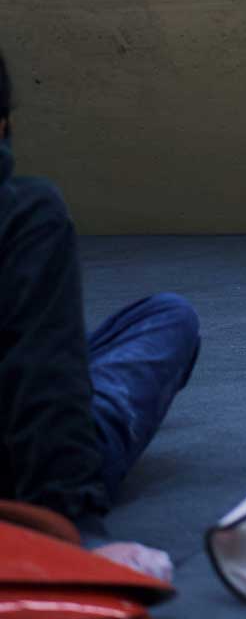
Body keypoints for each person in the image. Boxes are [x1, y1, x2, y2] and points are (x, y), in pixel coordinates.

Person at [0, 51, 200, 581]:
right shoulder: (22, 210)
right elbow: (42, 367)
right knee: (171, 319)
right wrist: (74, 528)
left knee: (133, 322)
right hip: (20, 483)